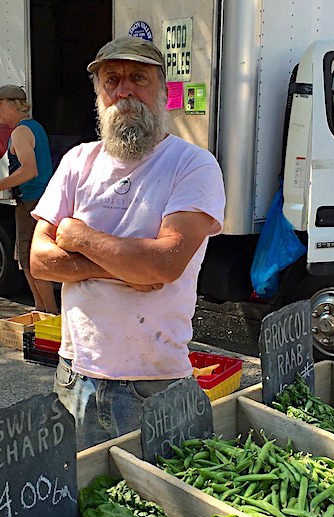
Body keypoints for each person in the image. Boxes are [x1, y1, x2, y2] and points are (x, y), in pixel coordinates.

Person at [30, 36, 225, 451]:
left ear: (162, 88)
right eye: (111, 79)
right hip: (74, 377)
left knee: (161, 508)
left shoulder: (193, 165)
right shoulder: (77, 162)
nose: (124, 90)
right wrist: (124, 266)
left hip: (153, 387)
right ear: (99, 92)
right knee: (86, 507)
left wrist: (78, 237)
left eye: (139, 77)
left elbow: (162, 265)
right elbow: (40, 260)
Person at [0, 85, 58, 313]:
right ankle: (41, 309)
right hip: (39, 200)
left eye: (1, 105)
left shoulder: (20, 132)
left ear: (14, 104)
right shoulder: (34, 128)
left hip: (31, 202)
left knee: (30, 257)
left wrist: (2, 184)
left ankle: (47, 312)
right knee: (31, 257)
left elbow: (29, 170)